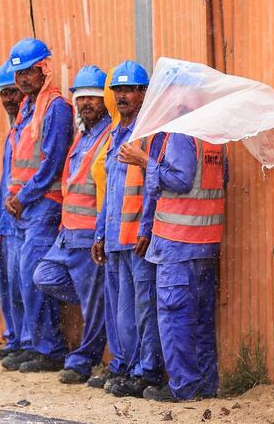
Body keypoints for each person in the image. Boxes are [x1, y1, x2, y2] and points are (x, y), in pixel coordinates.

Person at [119, 81, 227, 402]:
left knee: (175, 315)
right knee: (200, 318)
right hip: (205, 243)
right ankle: (205, 383)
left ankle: (184, 386)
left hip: (178, 244)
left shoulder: (179, 133)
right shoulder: (213, 139)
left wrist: (144, 161)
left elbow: (179, 180)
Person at [32, 66, 112, 384]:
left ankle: (83, 360)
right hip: (67, 235)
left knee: (95, 303)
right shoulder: (82, 136)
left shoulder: (108, 135)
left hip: (88, 235)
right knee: (44, 276)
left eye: (92, 98)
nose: (86, 104)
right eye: (81, 99)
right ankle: (102, 304)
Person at [89, 60, 164, 396]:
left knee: (144, 308)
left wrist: (146, 228)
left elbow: (153, 185)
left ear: (143, 93)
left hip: (138, 238)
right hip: (116, 237)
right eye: (117, 90)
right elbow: (110, 187)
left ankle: (147, 371)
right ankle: (125, 366)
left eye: (128, 90)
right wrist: (100, 234)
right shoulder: (116, 133)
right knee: (122, 312)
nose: (122, 96)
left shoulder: (148, 133)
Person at [0, 38, 74, 374]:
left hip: (43, 204)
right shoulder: (28, 108)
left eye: (29, 73)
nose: (23, 80)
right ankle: (32, 343)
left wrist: (23, 196)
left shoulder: (55, 107)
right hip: (24, 207)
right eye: (19, 75)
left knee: (34, 275)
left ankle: (49, 347)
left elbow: (52, 162)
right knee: (20, 278)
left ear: (44, 69)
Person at [0, 61, 26, 361]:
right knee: (9, 284)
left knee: (23, 283)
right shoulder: (14, 130)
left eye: (13, 92)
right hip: (7, 220)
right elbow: (5, 180)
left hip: (24, 217)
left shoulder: (28, 127)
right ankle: (14, 339)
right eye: (4, 93)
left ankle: (27, 342)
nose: (9, 99)